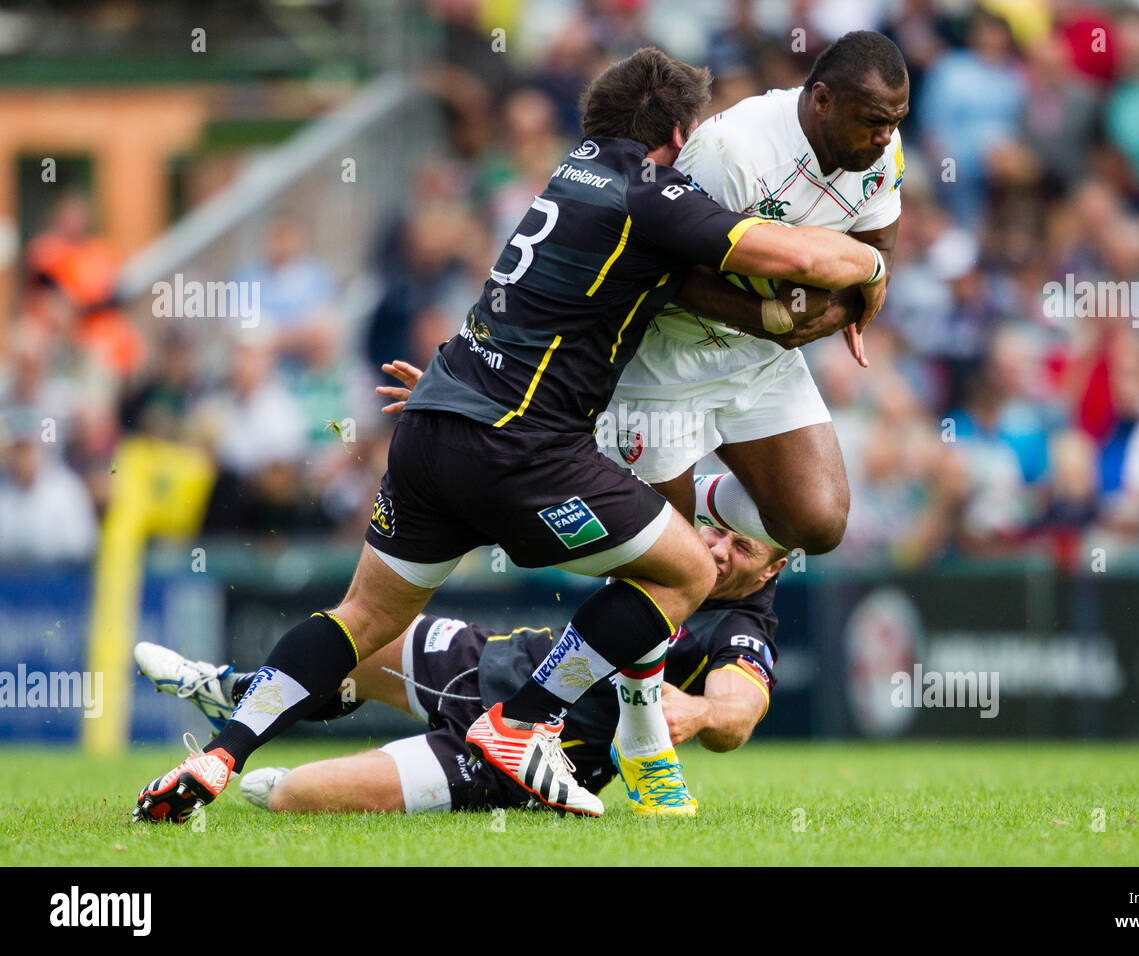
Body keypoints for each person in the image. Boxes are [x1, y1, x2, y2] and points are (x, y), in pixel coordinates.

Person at [132, 47, 889, 823]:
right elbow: (794, 251)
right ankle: (523, 725)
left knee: (361, 617)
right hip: (521, 447)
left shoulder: (570, 173)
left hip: (436, 422)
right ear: (676, 130)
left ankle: (221, 754)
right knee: (685, 572)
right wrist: (871, 261)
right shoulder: (654, 190)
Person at [134, 525, 784, 816]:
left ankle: (262, 743)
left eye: (742, 547)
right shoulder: (675, 546)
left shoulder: (741, 628)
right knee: (357, 632)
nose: (717, 550)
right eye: (715, 531)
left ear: (774, 567)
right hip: (492, 661)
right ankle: (236, 696)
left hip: (529, 760)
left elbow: (738, 711)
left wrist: (698, 712)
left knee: (291, 799)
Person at [603, 31, 909, 557]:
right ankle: (646, 497)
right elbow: (663, 270)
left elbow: (876, 249)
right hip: (666, 351)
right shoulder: (733, 151)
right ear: (823, 100)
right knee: (663, 567)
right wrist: (767, 315)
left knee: (817, 525)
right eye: (875, 121)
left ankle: (699, 496)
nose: (886, 138)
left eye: (896, 122)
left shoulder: (882, 150)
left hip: (761, 355)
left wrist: (830, 314)